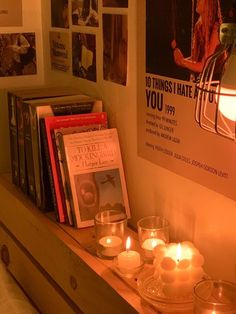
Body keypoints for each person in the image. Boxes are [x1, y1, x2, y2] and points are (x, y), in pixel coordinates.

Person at [171, 0, 223, 81]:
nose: (197, 1)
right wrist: (181, 60)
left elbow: (204, 66)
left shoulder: (216, 29)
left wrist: (183, 61)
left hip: (214, 83)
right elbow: (195, 59)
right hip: (202, 82)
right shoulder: (199, 26)